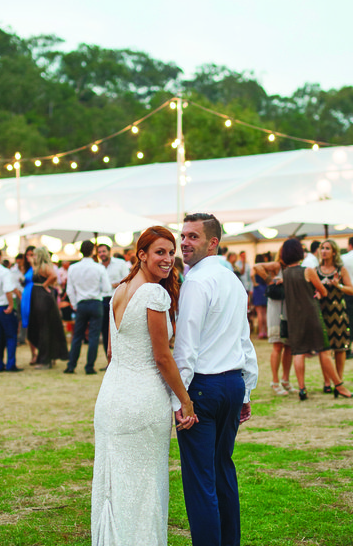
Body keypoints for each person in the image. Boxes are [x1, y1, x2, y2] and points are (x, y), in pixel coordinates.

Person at [92, 226, 197, 545]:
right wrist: (186, 401)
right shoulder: (153, 293)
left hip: (112, 396)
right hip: (142, 401)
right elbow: (163, 356)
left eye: (170, 252)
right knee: (144, 486)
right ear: (141, 255)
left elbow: (112, 352)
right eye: (159, 252)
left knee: (115, 484)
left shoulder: (120, 290)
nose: (168, 259)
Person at [173, 213, 258, 546]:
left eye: (193, 237)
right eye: (183, 236)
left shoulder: (196, 281)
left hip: (204, 388)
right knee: (222, 469)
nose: (184, 243)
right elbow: (244, 340)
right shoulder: (232, 280)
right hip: (231, 384)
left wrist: (179, 399)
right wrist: (246, 389)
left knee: (200, 481)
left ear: (213, 242)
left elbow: (186, 346)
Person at [281, 238, 353, 401]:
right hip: (313, 314)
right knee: (324, 350)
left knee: (299, 352)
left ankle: (302, 389)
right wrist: (319, 291)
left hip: (294, 317)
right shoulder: (308, 270)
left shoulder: (285, 273)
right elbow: (323, 291)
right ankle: (339, 385)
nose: (323, 251)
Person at [253, 254, 296, 396]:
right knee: (278, 345)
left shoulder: (294, 268)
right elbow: (257, 267)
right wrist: (270, 280)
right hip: (277, 309)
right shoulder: (277, 265)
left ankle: (285, 380)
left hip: (290, 309)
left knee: (289, 346)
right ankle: (275, 381)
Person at [64, 240, 110, 375]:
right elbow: (107, 288)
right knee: (94, 336)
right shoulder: (99, 268)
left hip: (81, 303)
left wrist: (74, 304)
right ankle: (89, 366)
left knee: (77, 336)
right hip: (96, 303)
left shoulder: (73, 268)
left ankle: (71, 365)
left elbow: (69, 289)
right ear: (93, 251)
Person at [317, 240, 353, 391]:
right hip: (321, 312)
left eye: (327, 248)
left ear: (334, 252)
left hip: (338, 312)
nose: (324, 251)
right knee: (324, 349)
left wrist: (338, 286)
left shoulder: (340, 270)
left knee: (340, 348)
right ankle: (327, 382)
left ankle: (339, 380)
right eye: (322, 248)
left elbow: (351, 290)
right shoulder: (316, 270)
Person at [27, 247, 69, 369]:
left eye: (35, 255)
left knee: (44, 328)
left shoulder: (44, 267)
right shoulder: (40, 266)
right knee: (42, 327)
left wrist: (45, 284)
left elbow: (54, 276)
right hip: (39, 297)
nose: (33, 257)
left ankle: (45, 359)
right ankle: (47, 356)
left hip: (42, 298)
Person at [96, 243, 128, 359]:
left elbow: (127, 279)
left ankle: (122, 358)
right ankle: (109, 359)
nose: (102, 254)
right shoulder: (97, 267)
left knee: (120, 329)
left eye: (103, 251)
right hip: (102, 300)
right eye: (99, 252)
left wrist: (114, 285)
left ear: (109, 251)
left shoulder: (120, 264)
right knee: (105, 331)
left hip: (117, 299)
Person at [20, 246, 37, 364]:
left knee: (38, 325)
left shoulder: (38, 267)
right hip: (26, 296)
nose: (29, 257)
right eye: (27, 255)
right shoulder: (25, 268)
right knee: (28, 326)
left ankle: (42, 353)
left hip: (36, 295)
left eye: (31, 254)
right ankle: (33, 354)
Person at [251, 253, 268, 339]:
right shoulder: (264, 267)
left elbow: (251, 275)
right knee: (265, 313)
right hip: (265, 287)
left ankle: (261, 332)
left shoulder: (255, 267)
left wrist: (254, 283)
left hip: (258, 289)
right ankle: (266, 331)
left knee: (259, 313)